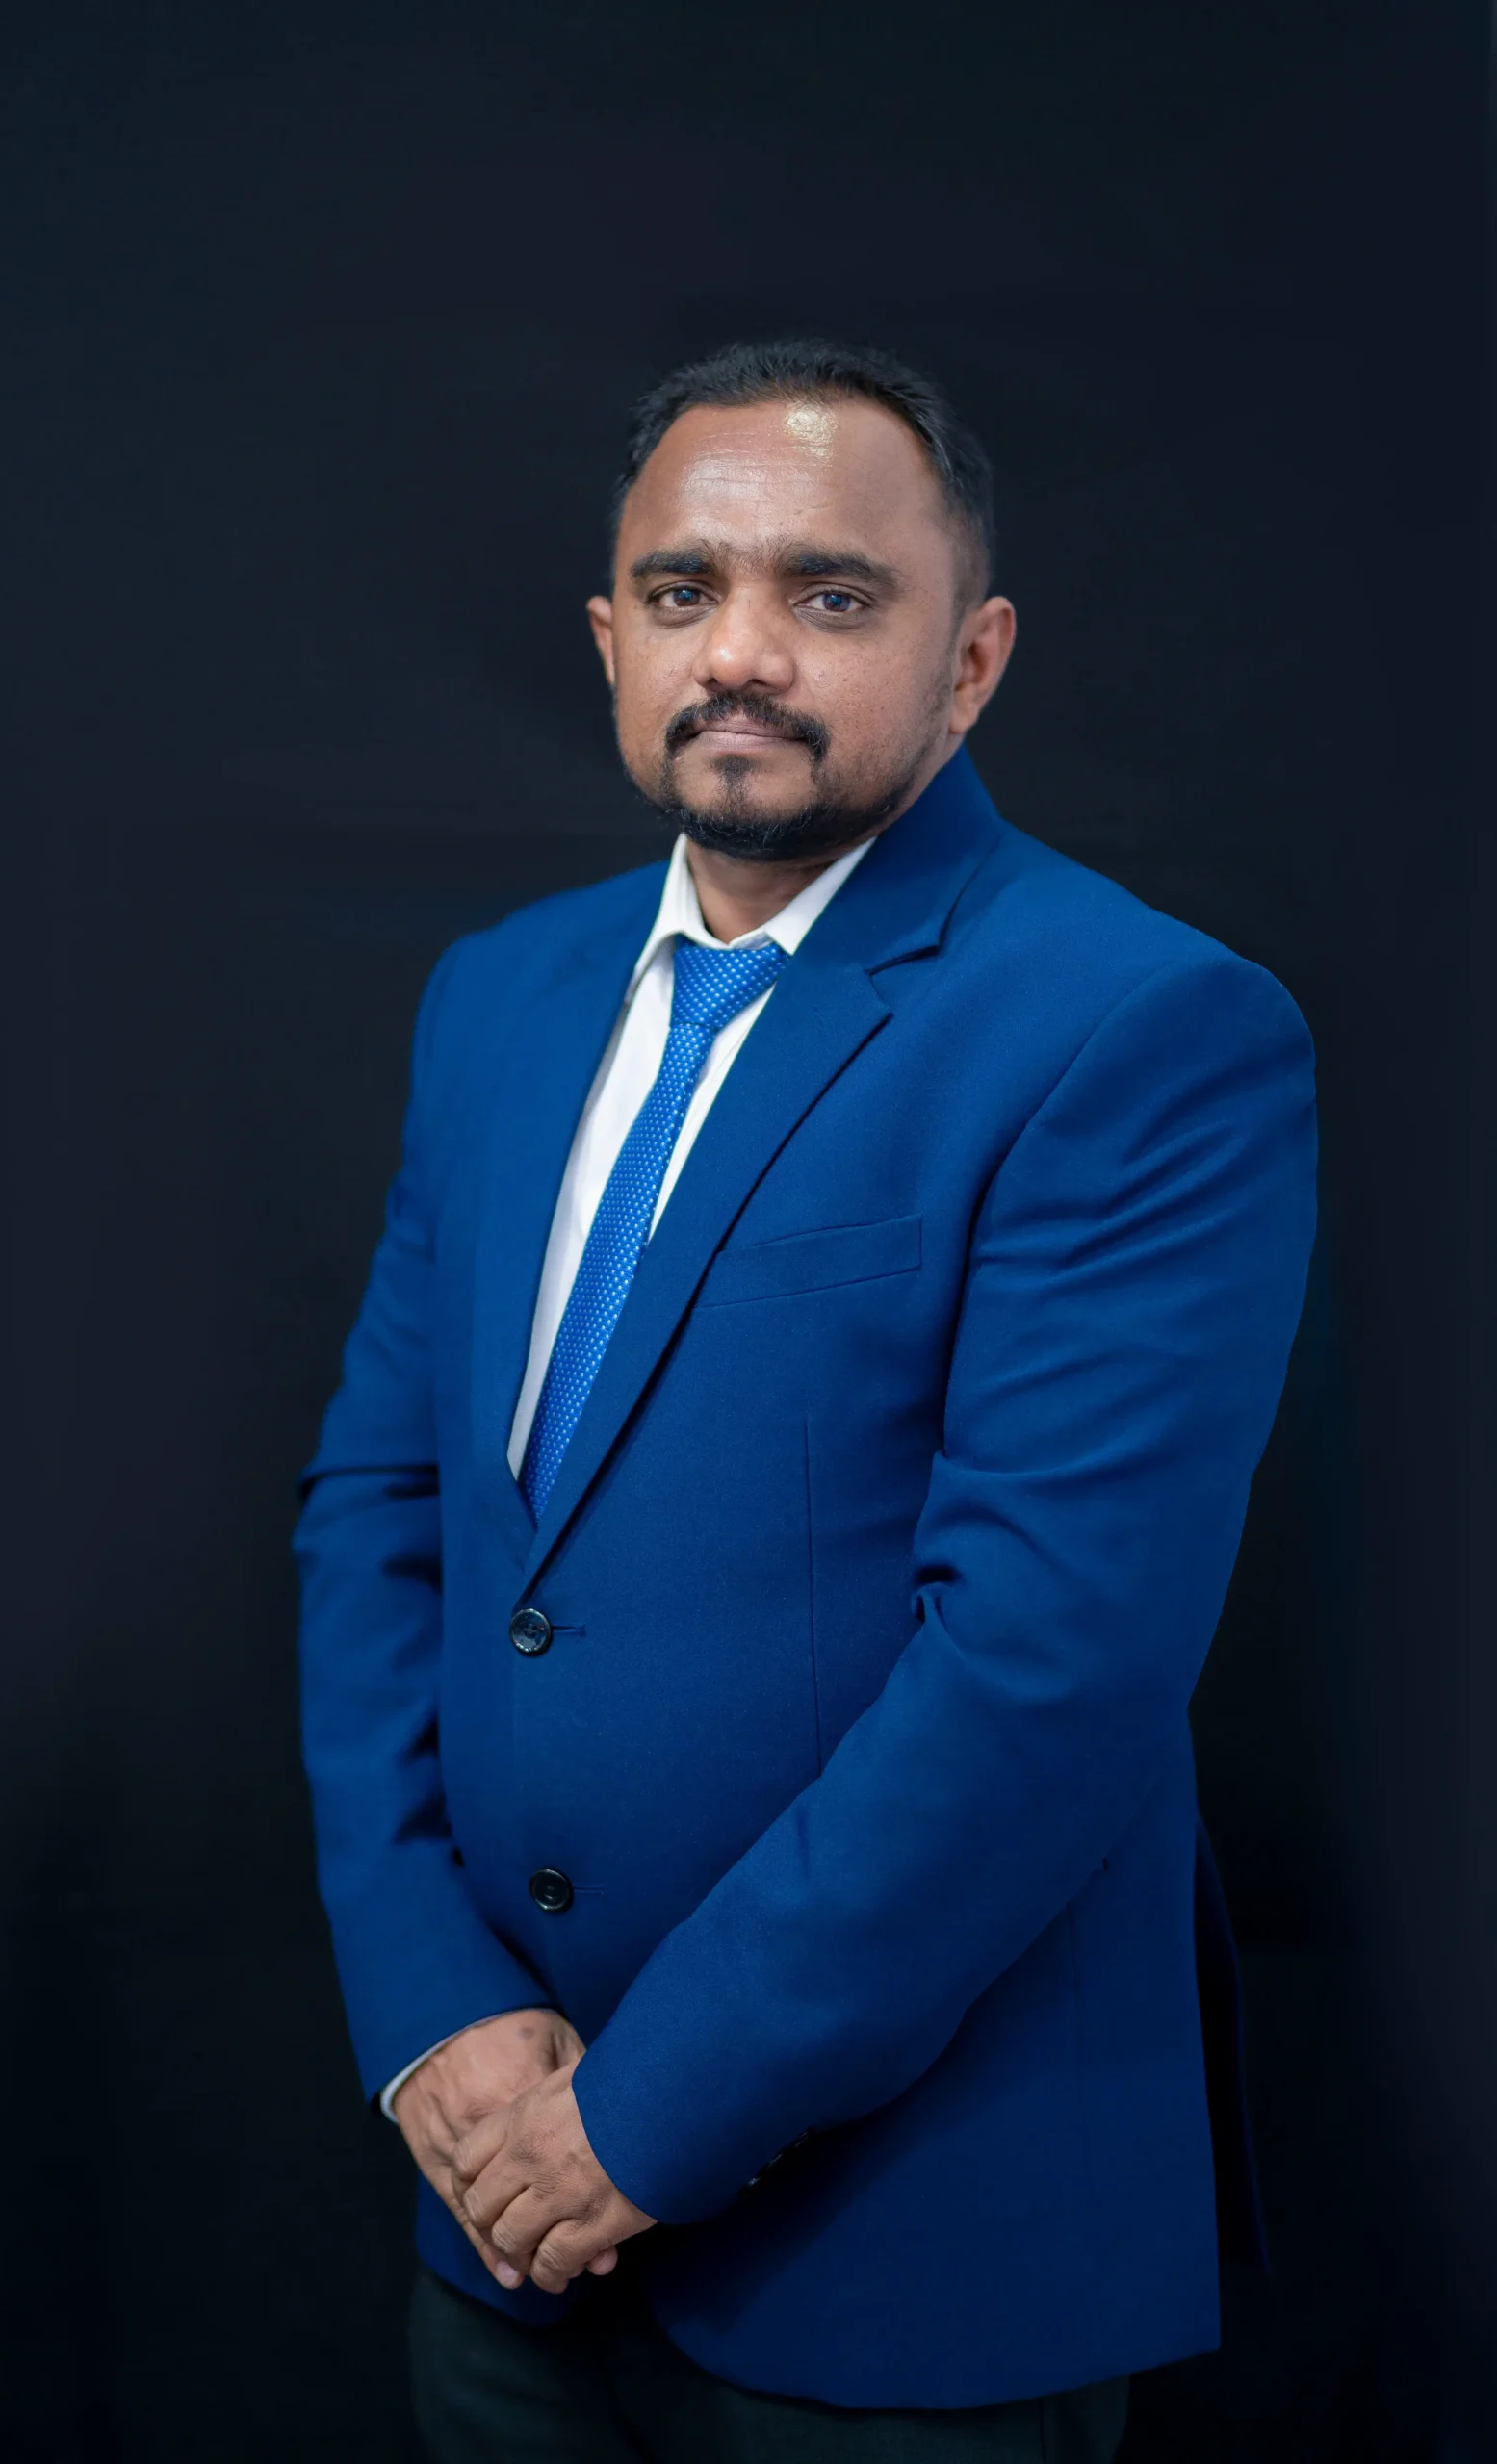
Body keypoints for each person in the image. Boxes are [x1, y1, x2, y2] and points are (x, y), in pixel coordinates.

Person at [295, 338, 1317, 2462]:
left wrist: (640, 2121)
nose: (741, 652)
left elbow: (1046, 1670)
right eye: (682, 590)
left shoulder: (1138, 1025)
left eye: (830, 594)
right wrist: (430, 2010)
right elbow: (382, 1517)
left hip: (914, 2243)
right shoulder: (497, 997)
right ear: (610, 638)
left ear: (972, 657)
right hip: (493, 2207)